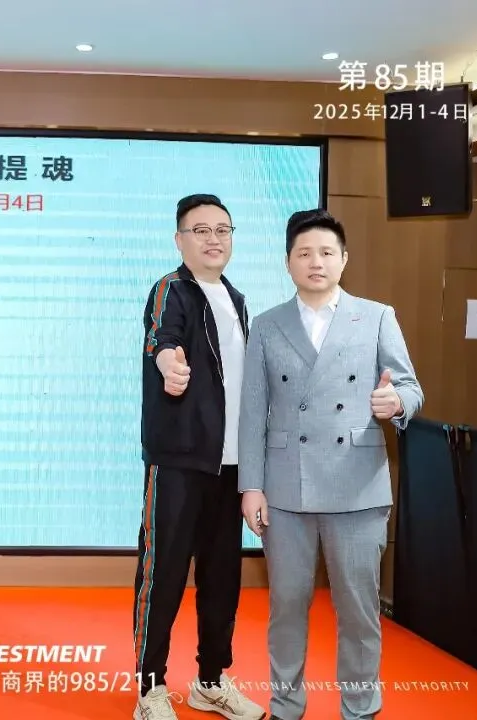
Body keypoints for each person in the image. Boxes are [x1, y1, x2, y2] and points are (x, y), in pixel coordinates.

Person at [237, 209, 423, 720]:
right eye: (304, 253)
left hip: (357, 487)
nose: (315, 262)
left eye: (325, 252)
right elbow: (253, 412)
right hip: (285, 490)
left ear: (343, 259)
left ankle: (360, 708)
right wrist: (250, 486)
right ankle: (286, 706)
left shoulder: (377, 316)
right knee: (286, 608)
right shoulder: (267, 325)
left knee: (359, 611)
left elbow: (410, 386)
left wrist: (397, 402)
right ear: (288, 262)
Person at [134, 193, 266, 720]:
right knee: (163, 574)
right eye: (201, 230)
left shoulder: (237, 299)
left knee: (221, 580)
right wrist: (168, 363)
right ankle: (150, 688)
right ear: (180, 240)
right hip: (179, 462)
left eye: (223, 230)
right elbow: (161, 339)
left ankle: (211, 681)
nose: (214, 239)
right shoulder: (172, 289)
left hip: (229, 467)